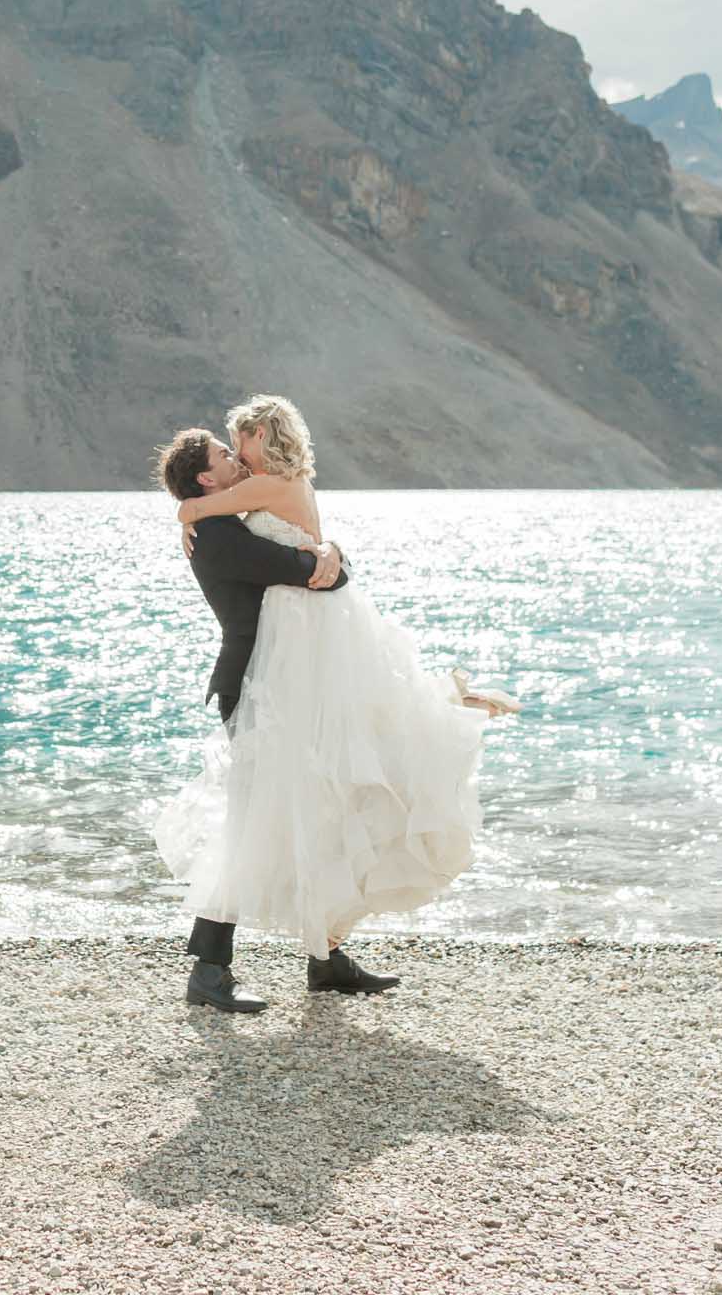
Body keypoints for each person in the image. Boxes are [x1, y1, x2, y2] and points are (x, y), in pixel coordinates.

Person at [153, 395, 517, 1016]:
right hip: (261, 688)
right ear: (208, 477)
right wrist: (327, 557)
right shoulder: (213, 534)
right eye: (223, 451)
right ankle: (209, 969)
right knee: (259, 815)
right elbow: (306, 571)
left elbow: (307, 556)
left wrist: (326, 552)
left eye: (235, 441)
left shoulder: (235, 508)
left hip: (301, 676)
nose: (232, 453)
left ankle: (325, 957)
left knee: (330, 802)